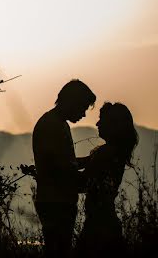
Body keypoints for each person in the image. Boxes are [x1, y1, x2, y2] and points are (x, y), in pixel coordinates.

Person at [32, 79, 96, 257]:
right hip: (56, 202)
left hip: (56, 200)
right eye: (82, 107)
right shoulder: (52, 125)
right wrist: (88, 178)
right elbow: (61, 169)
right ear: (72, 102)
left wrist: (89, 161)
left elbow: (63, 162)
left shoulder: (55, 123)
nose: (83, 114)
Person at [76, 102, 139, 257]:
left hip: (98, 227)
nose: (97, 123)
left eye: (101, 119)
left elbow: (82, 183)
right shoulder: (113, 152)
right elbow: (82, 163)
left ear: (112, 125)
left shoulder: (105, 154)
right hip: (107, 223)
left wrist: (52, 173)